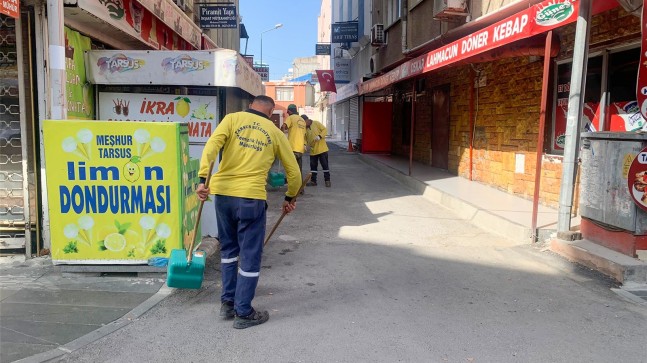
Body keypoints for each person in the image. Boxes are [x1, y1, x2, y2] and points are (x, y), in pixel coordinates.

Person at [196, 95, 301, 329]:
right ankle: (243, 312)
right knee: (250, 255)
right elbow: (293, 171)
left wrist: (203, 178)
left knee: (229, 250)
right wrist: (289, 197)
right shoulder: (274, 132)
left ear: (251, 105)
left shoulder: (232, 119)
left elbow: (212, 145)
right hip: (251, 198)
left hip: (222, 195)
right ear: (270, 111)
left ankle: (228, 303)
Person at [281, 104, 307, 182]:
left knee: (291, 169)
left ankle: (293, 188)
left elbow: (283, 127)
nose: (287, 113)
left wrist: (280, 135)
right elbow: (304, 135)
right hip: (300, 149)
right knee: (299, 170)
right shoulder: (302, 120)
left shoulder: (291, 118)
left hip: (292, 148)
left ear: (289, 111)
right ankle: (300, 188)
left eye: (287, 111)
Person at [303, 115, 331, 187]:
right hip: (313, 151)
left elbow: (325, 130)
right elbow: (305, 138)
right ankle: (313, 181)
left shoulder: (316, 123)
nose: (304, 124)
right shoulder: (304, 129)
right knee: (313, 167)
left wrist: (320, 136)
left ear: (308, 120)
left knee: (325, 166)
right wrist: (304, 145)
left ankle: (327, 180)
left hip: (322, 150)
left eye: (304, 122)